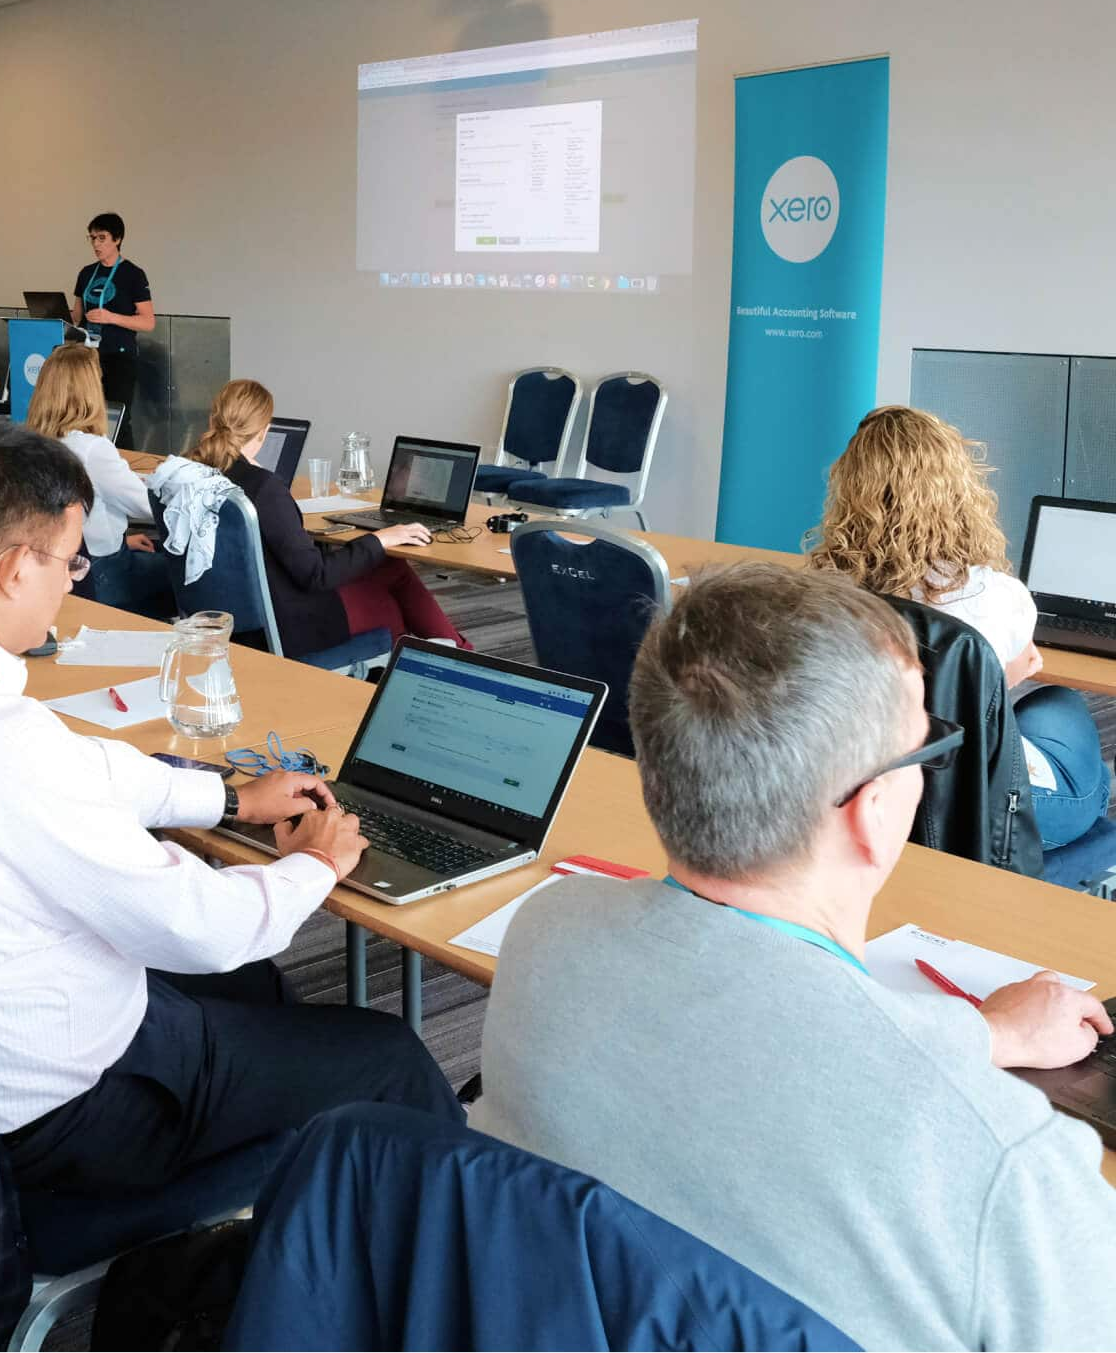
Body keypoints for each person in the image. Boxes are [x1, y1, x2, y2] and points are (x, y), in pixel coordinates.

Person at [0, 422, 462, 1205]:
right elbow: (201, 921)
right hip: (64, 1111)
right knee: (389, 1052)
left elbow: (75, 768)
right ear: (14, 568)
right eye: (71, 559)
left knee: (258, 988)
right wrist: (315, 861)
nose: (75, 580)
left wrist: (230, 797)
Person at [472, 563, 1116, 1351]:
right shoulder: (1005, 1162)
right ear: (875, 812)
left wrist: (982, 1034)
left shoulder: (546, 938)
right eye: (930, 746)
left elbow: (775, 1043)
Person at [806, 406, 1109, 853]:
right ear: (960, 491)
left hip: (864, 783)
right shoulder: (1000, 595)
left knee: (1044, 712)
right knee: (1062, 709)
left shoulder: (823, 592)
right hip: (985, 808)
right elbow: (989, 693)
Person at [189, 380, 469, 659]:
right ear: (265, 431)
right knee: (388, 601)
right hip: (288, 626)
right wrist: (380, 538)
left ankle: (456, 654)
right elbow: (316, 575)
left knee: (390, 565)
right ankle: (457, 659)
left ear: (213, 419)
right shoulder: (263, 488)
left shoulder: (193, 474)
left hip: (230, 613)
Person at [26, 343, 172, 618]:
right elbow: (146, 505)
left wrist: (120, 541)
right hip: (107, 575)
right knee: (185, 575)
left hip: (68, 569)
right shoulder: (92, 448)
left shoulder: (32, 443)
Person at [71, 212, 153, 450]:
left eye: (102, 238)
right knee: (85, 416)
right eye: (92, 238)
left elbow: (148, 322)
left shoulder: (133, 274)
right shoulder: (86, 273)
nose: (96, 244)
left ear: (117, 239)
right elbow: (77, 315)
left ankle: (127, 469)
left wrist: (111, 317)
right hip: (87, 355)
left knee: (118, 417)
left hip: (119, 355)